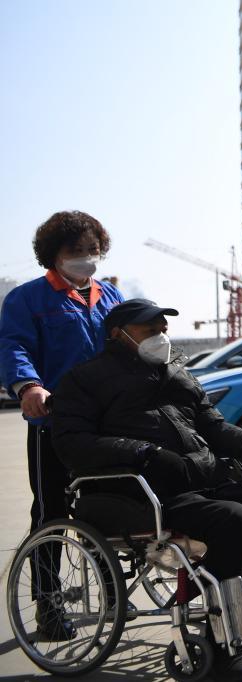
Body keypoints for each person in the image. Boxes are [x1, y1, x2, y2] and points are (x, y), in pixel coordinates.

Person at [50, 299, 242, 682]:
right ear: (117, 334)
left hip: (200, 484)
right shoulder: (84, 380)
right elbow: (72, 443)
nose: (160, 337)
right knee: (232, 519)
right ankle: (223, 644)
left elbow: (212, 424)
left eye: (163, 329)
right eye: (149, 330)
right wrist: (144, 452)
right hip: (140, 495)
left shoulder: (176, 374)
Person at [0, 210, 123, 641]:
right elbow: (13, 346)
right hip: (53, 421)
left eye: (93, 249)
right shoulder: (28, 299)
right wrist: (29, 386)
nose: (87, 257)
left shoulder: (110, 297)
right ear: (54, 254)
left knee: (105, 506)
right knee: (51, 511)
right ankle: (49, 606)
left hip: (107, 422)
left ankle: (113, 593)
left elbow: (131, 344)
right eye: (76, 250)